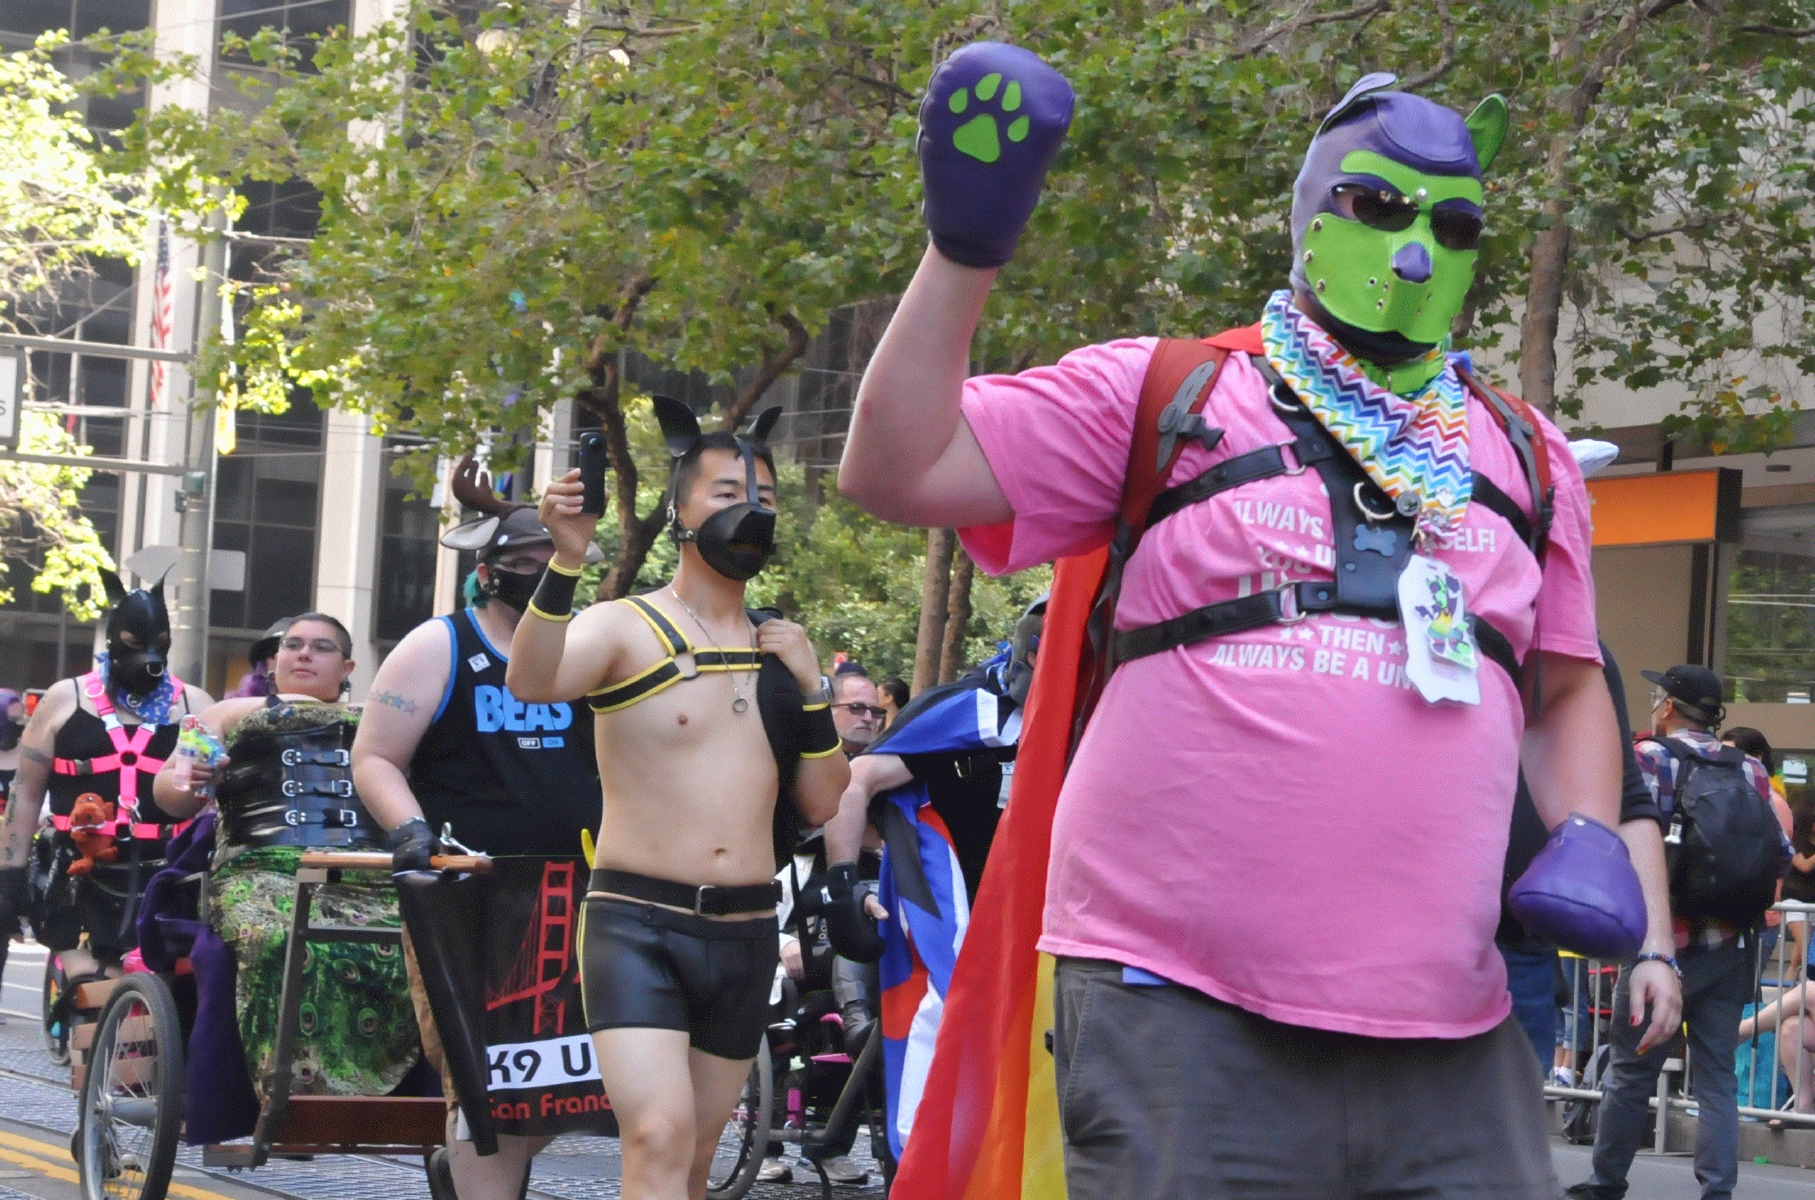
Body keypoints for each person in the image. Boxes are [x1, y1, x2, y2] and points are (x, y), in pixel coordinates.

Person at [844, 49, 1633, 1198]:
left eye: (1453, 223)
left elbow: (1563, 691)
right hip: (1182, 1015)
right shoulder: (1170, 393)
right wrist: (964, 252)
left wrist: (1595, 832)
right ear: (1315, 208)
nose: (1413, 248)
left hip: (1452, 1035)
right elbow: (896, 466)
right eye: (1374, 205)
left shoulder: (1527, 455)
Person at [505, 397, 849, 1200]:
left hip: (746, 930)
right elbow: (531, 681)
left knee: (693, 1157)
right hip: (637, 924)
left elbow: (825, 801)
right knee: (656, 1136)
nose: (750, 511)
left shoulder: (780, 647)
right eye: (728, 493)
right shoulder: (625, 626)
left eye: (761, 496)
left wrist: (810, 686)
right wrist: (565, 561)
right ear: (679, 508)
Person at [351, 469, 611, 1200]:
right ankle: (477, 1181)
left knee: (570, 1073)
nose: (537, 571)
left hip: (580, 890)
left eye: (549, 556)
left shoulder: (587, 648)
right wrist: (408, 832)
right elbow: (374, 756)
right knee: (480, 1075)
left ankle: (472, 1175)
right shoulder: (437, 646)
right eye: (524, 558)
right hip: (468, 897)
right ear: (486, 568)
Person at [149, 613, 416, 1096]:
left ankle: (388, 1092)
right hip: (259, 870)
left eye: (321, 647)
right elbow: (169, 793)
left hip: (368, 874)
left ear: (348, 665)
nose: (304, 654)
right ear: (276, 661)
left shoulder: (380, 720)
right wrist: (195, 777)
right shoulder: (226, 715)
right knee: (279, 938)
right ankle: (287, 1091)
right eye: (293, 645)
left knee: (420, 938)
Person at [1570, 665, 1791, 1200]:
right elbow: (1777, 854)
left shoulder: (1651, 758)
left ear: (1668, 706)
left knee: (1631, 1070)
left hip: (1663, 948)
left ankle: (1606, 1183)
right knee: (1717, 1077)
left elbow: (1632, 839)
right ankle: (1717, 1191)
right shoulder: (1751, 772)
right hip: (1734, 946)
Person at [0, 571, 212, 986]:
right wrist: (9, 877)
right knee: (94, 991)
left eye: (160, 644)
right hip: (78, 874)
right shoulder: (64, 699)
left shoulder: (196, 706)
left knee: (169, 997)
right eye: (134, 643)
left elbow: (214, 800)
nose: (149, 656)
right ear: (114, 639)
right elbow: (25, 793)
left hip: (166, 876)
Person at [1721, 726, 1795, 978]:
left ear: (1757, 758)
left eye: (1734, 753)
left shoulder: (1772, 802)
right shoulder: (1734, 796)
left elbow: (1775, 856)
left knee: (1745, 996)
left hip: (1758, 916)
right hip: (1731, 917)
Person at [830, 671, 886, 758]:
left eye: (874, 711)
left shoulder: (886, 762)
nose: (868, 718)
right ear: (830, 709)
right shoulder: (807, 756)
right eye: (857, 708)